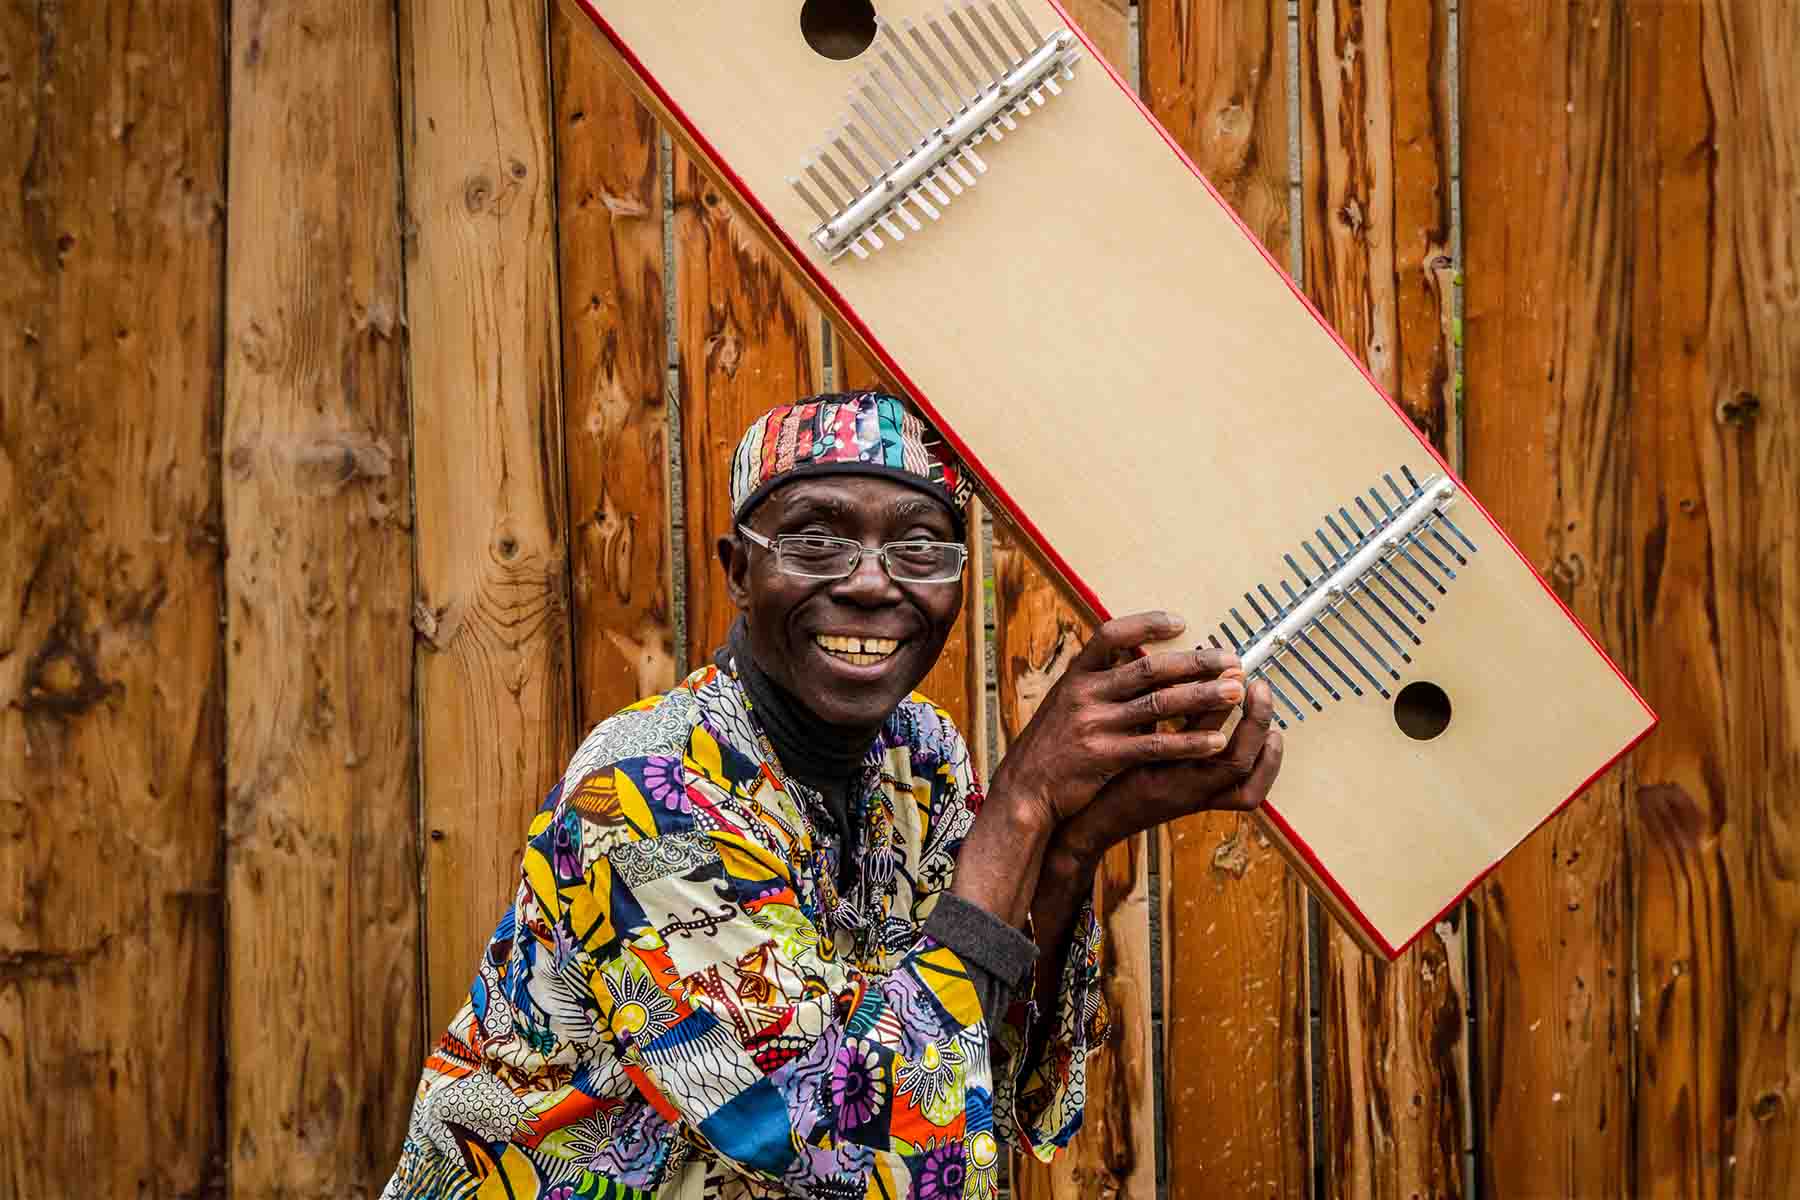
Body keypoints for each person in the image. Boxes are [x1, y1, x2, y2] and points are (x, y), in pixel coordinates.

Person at [383, 392, 1283, 1199]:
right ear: (739, 572)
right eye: (816, 540)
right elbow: (839, 1154)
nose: (869, 582)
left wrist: (1083, 837)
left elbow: (966, 1050)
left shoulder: (919, 756)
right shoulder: (646, 795)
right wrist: (1021, 806)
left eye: (919, 546)